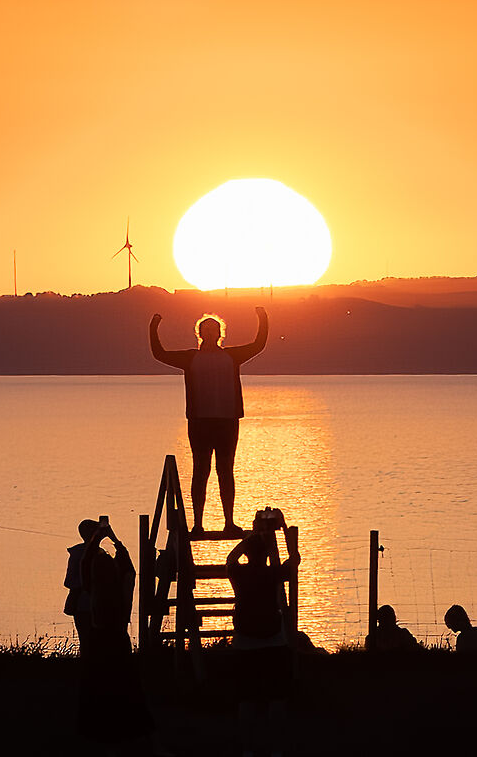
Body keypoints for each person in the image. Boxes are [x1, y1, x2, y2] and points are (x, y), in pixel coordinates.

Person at [148, 303, 271, 532]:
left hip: (227, 420)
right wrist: (153, 326)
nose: (211, 333)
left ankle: (228, 522)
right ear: (200, 333)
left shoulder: (232, 356)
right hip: (200, 422)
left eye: (215, 330)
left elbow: (258, 345)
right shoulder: (190, 358)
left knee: (226, 471)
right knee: (200, 471)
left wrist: (262, 318)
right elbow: (159, 354)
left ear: (220, 333)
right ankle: (197, 525)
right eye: (206, 329)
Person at [65, 519, 150, 751]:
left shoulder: (94, 594)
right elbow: (129, 568)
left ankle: (98, 733)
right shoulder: (121, 596)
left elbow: (85, 565)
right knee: (127, 689)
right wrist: (115, 540)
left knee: (97, 690)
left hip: (100, 644)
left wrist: (98, 539)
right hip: (119, 645)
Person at [227, 512, 298, 757]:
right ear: (268, 554)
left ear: (247, 553)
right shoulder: (273, 574)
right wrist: (284, 527)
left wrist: (250, 539)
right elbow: (295, 559)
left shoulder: (239, 575)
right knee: (276, 699)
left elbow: (230, 558)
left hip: (245, 644)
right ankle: (276, 749)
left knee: (246, 700)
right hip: (273, 642)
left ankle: (248, 749)